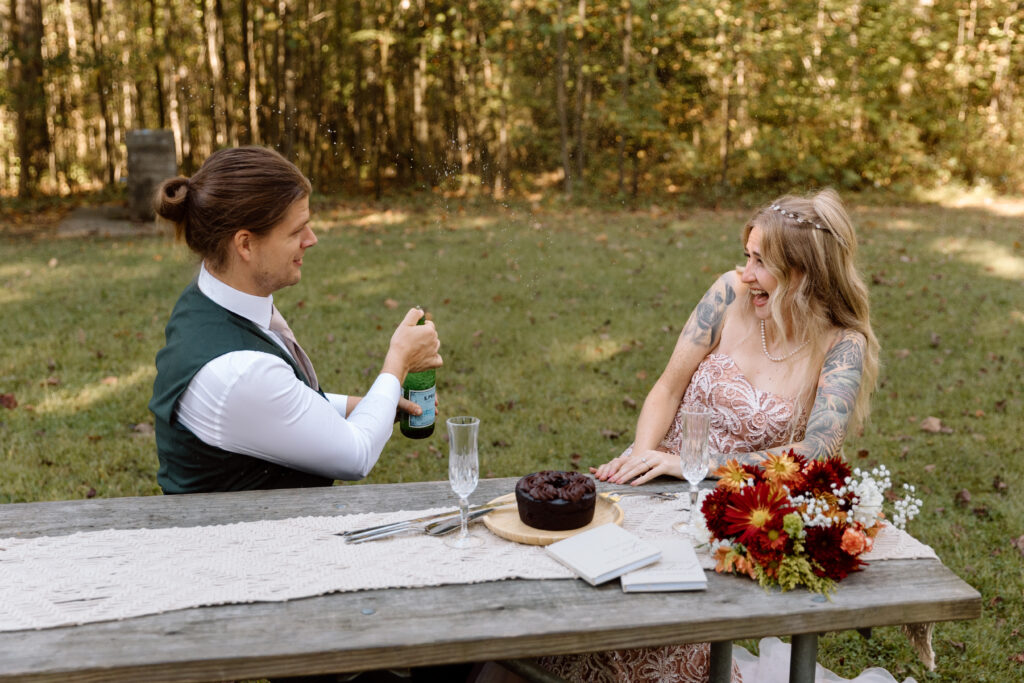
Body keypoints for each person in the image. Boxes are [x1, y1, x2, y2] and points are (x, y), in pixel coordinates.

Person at [531, 188, 885, 683]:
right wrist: (644, 452)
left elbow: (816, 453)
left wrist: (697, 465)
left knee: (647, 637)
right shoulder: (727, 294)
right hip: (653, 478)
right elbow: (667, 386)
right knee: (573, 591)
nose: (747, 274)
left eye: (761, 262)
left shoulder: (842, 345)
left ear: (802, 273)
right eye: (747, 256)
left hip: (730, 507)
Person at [149, 146, 443, 495]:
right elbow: (355, 455)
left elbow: (283, 404)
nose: (311, 240)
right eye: (296, 231)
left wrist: (373, 405)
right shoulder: (239, 373)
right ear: (245, 244)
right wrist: (399, 362)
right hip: (240, 544)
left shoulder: (208, 296)